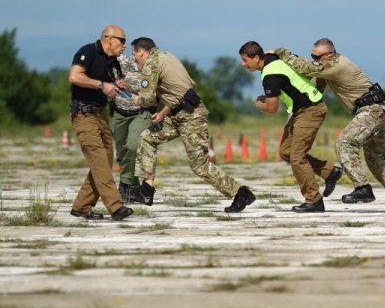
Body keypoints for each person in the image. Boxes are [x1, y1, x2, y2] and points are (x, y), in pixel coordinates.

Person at [130, 37, 255, 213]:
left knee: (199, 165)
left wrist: (137, 99)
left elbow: (147, 98)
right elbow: (184, 89)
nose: (134, 59)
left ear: (142, 52)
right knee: (147, 138)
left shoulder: (151, 63)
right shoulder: (167, 57)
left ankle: (241, 192)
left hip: (191, 117)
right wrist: (164, 112)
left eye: (134, 54)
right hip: (177, 114)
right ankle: (147, 191)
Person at [273, 38, 385, 204]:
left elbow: (305, 68)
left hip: (372, 110)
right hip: (375, 110)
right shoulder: (327, 67)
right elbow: (315, 87)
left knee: (345, 144)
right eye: (312, 56)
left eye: (317, 57)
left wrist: (281, 52)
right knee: (377, 161)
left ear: (329, 54)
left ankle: (362, 188)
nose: (314, 60)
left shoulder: (336, 65)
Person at [239, 41, 341, 213]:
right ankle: (330, 172)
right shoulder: (273, 58)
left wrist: (258, 103)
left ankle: (314, 201)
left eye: (245, 60)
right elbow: (292, 57)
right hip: (300, 111)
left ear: (256, 58)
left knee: (297, 157)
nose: (243, 64)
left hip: (311, 110)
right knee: (286, 151)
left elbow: (272, 108)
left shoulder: (269, 76)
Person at [68, 25, 134, 221]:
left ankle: (81, 206)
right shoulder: (87, 51)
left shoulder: (113, 62)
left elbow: (116, 83)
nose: (124, 46)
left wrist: (120, 85)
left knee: (104, 162)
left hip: (100, 114)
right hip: (83, 113)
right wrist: (100, 84)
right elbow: (74, 76)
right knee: (100, 163)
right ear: (110, 39)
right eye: (122, 41)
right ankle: (116, 207)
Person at [110, 53, 153, 203]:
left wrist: (129, 87)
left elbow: (150, 91)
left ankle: (124, 185)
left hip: (139, 112)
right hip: (119, 112)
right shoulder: (115, 61)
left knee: (132, 145)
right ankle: (132, 189)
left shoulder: (149, 65)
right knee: (122, 152)